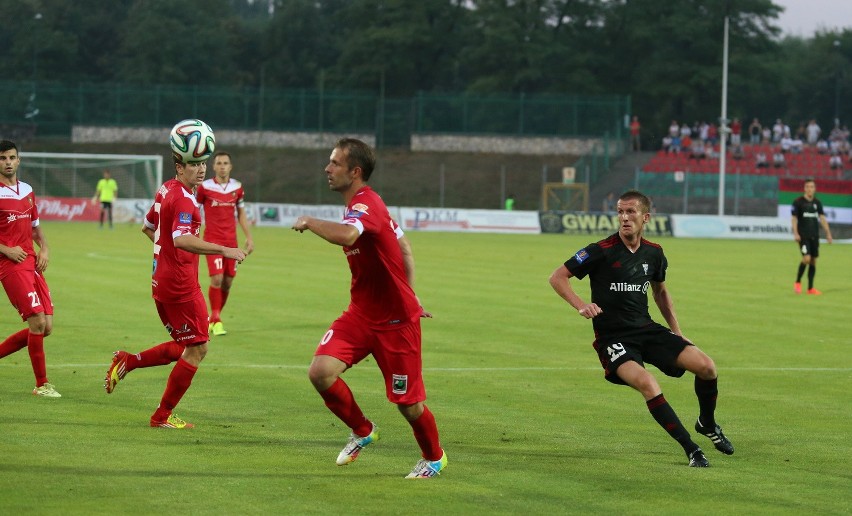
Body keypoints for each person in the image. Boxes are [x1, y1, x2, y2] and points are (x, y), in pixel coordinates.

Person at [291, 138, 447, 479]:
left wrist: (310, 221)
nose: (327, 169)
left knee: (408, 404)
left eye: (334, 163)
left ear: (355, 171)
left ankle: (434, 458)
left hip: (395, 323)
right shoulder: (366, 207)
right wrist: (412, 292)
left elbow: (348, 236)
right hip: (361, 314)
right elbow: (404, 247)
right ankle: (362, 430)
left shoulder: (367, 204)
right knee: (320, 372)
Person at [548, 190, 734, 467]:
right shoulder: (599, 250)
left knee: (707, 367)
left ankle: (706, 423)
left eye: (630, 212)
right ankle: (692, 449)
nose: (624, 217)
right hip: (613, 339)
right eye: (620, 212)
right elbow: (557, 277)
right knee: (648, 384)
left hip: (647, 330)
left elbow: (660, 293)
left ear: (645, 217)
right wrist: (581, 305)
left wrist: (677, 331)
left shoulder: (654, 253)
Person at [103, 139, 246, 428]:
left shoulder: (166, 187)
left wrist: (166, 258)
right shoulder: (182, 198)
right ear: (180, 167)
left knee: (187, 344)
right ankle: (161, 416)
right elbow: (180, 239)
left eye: (203, 163)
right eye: (194, 164)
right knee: (198, 348)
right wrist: (223, 249)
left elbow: (148, 228)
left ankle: (128, 361)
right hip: (180, 284)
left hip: (164, 279)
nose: (201, 169)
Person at [0, 140, 61, 398]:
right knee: (35, 321)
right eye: (3, 158)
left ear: (19, 160)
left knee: (46, 326)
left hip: (31, 262)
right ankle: (42, 384)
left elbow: (35, 226)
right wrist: (6, 249)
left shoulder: (27, 190)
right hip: (9, 265)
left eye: (12, 157)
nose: (8, 162)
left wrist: (44, 248)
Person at [195, 151, 254, 336]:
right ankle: (217, 319)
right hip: (212, 241)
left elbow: (241, 214)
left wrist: (249, 237)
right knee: (217, 279)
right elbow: (194, 210)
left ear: (230, 166)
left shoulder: (237, 188)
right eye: (219, 163)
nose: (222, 166)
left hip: (232, 242)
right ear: (213, 166)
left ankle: (214, 318)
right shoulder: (204, 187)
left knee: (227, 282)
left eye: (225, 163)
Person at [791, 178, 833, 295]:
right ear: (804, 188)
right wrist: (795, 233)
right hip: (803, 236)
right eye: (808, 187)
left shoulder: (817, 203)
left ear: (814, 189)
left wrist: (828, 233)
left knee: (813, 261)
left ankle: (810, 288)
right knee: (807, 258)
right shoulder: (798, 202)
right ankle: (798, 282)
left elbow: (822, 218)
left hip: (815, 236)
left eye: (812, 187)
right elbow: (794, 219)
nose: (810, 189)